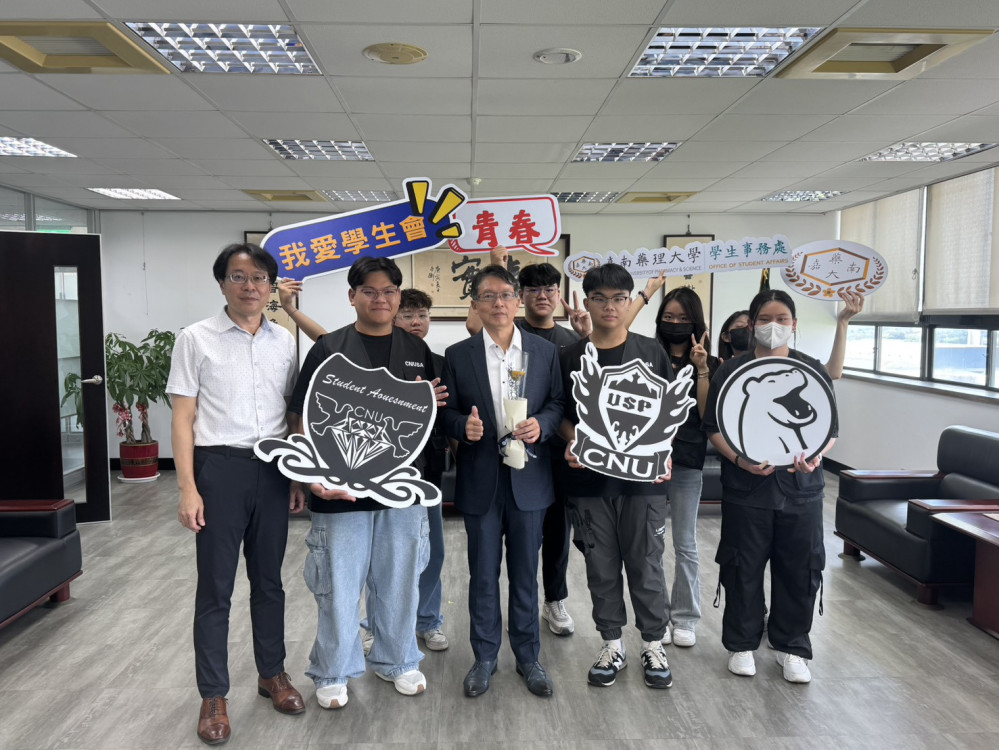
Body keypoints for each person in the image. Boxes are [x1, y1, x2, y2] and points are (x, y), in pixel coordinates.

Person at [288, 257, 445, 710]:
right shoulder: (329, 348)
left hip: (401, 488)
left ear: (398, 296)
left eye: (389, 291)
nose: (381, 299)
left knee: (400, 579)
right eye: (370, 291)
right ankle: (333, 670)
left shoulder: (417, 350)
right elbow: (300, 417)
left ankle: (397, 660)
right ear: (352, 296)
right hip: (339, 489)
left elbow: (426, 420)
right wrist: (310, 477)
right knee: (339, 584)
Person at [168, 242, 306, 745]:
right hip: (219, 470)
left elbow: (291, 415)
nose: (251, 286)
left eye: (260, 278)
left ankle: (272, 674)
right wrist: (187, 488)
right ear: (222, 282)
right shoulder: (195, 339)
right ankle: (213, 695)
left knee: (269, 582)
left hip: (272, 470)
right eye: (239, 277)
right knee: (216, 588)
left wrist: (295, 474)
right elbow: (183, 418)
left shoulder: (283, 342)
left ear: (271, 287)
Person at [440, 264, 565, 698]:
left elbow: (557, 403)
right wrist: (463, 427)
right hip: (481, 481)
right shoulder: (458, 355)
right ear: (475, 304)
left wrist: (541, 425)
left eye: (506, 295)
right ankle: (485, 657)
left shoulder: (543, 352)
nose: (498, 303)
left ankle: (529, 657)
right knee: (483, 575)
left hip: (530, 479)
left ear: (518, 301)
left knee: (526, 574)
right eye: (488, 296)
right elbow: (445, 413)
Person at [702, 289, 837, 684]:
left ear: (794, 324)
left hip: (802, 488)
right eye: (764, 319)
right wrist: (740, 460)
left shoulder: (811, 370)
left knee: (800, 567)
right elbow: (713, 428)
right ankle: (741, 643)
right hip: (747, 488)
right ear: (751, 324)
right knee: (742, 565)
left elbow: (830, 430)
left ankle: (791, 646)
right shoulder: (731, 371)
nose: (772, 326)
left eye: (781, 319)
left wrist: (816, 455)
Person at [559, 263, 676, 690]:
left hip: (643, 483)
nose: (610, 306)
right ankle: (612, 644)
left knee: (646, 565)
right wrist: (574, 440)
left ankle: (653, 643)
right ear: (587, 303)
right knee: (601, 566)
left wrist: (664, 453)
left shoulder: (651, 352)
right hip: (589, 484)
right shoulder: (569, 357)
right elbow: (559, 414)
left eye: (618, 299)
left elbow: (668, 414)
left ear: (630, 302)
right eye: (600, 298)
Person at [468, 260, 584, 637]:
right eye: (534, 289)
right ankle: (490, 645)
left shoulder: (562, 344)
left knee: (548, 544)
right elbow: (454, 410)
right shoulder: (477, 345)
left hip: (549, 461)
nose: (542, 296)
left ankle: (550, 608)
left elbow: (561, 401)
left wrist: (546, 425)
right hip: (494, 467)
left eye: (549, 289)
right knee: (492, 567)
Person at [653, 286, 719, 648]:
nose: (675, 323)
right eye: (669, 317)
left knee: (685, 542)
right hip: (647, 461)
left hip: (687, 462)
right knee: (649, 542)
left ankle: (686, 618)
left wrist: (702, 369)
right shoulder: (648, 354)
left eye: (683, 318)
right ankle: (656, 616)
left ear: (696, 323)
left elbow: (707, 416)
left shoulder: (711, 363)